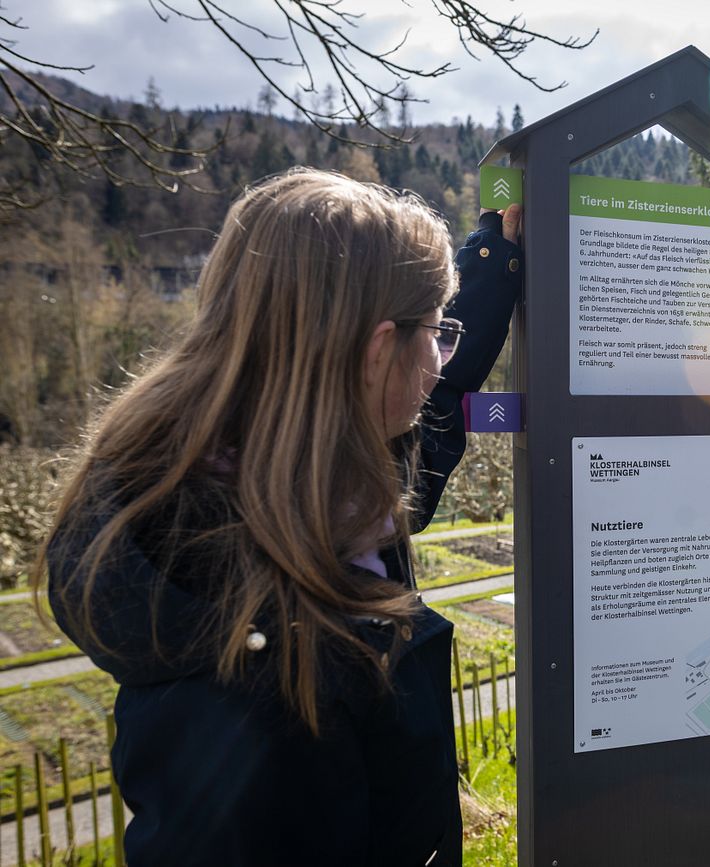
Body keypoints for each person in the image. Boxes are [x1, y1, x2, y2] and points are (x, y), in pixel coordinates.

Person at [35, 168, 522, 866]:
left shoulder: (286, 485)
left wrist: (493, 257)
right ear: (378, 351)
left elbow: (432, 413)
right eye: (437, 331)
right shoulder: (265, 673)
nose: (442, 356)